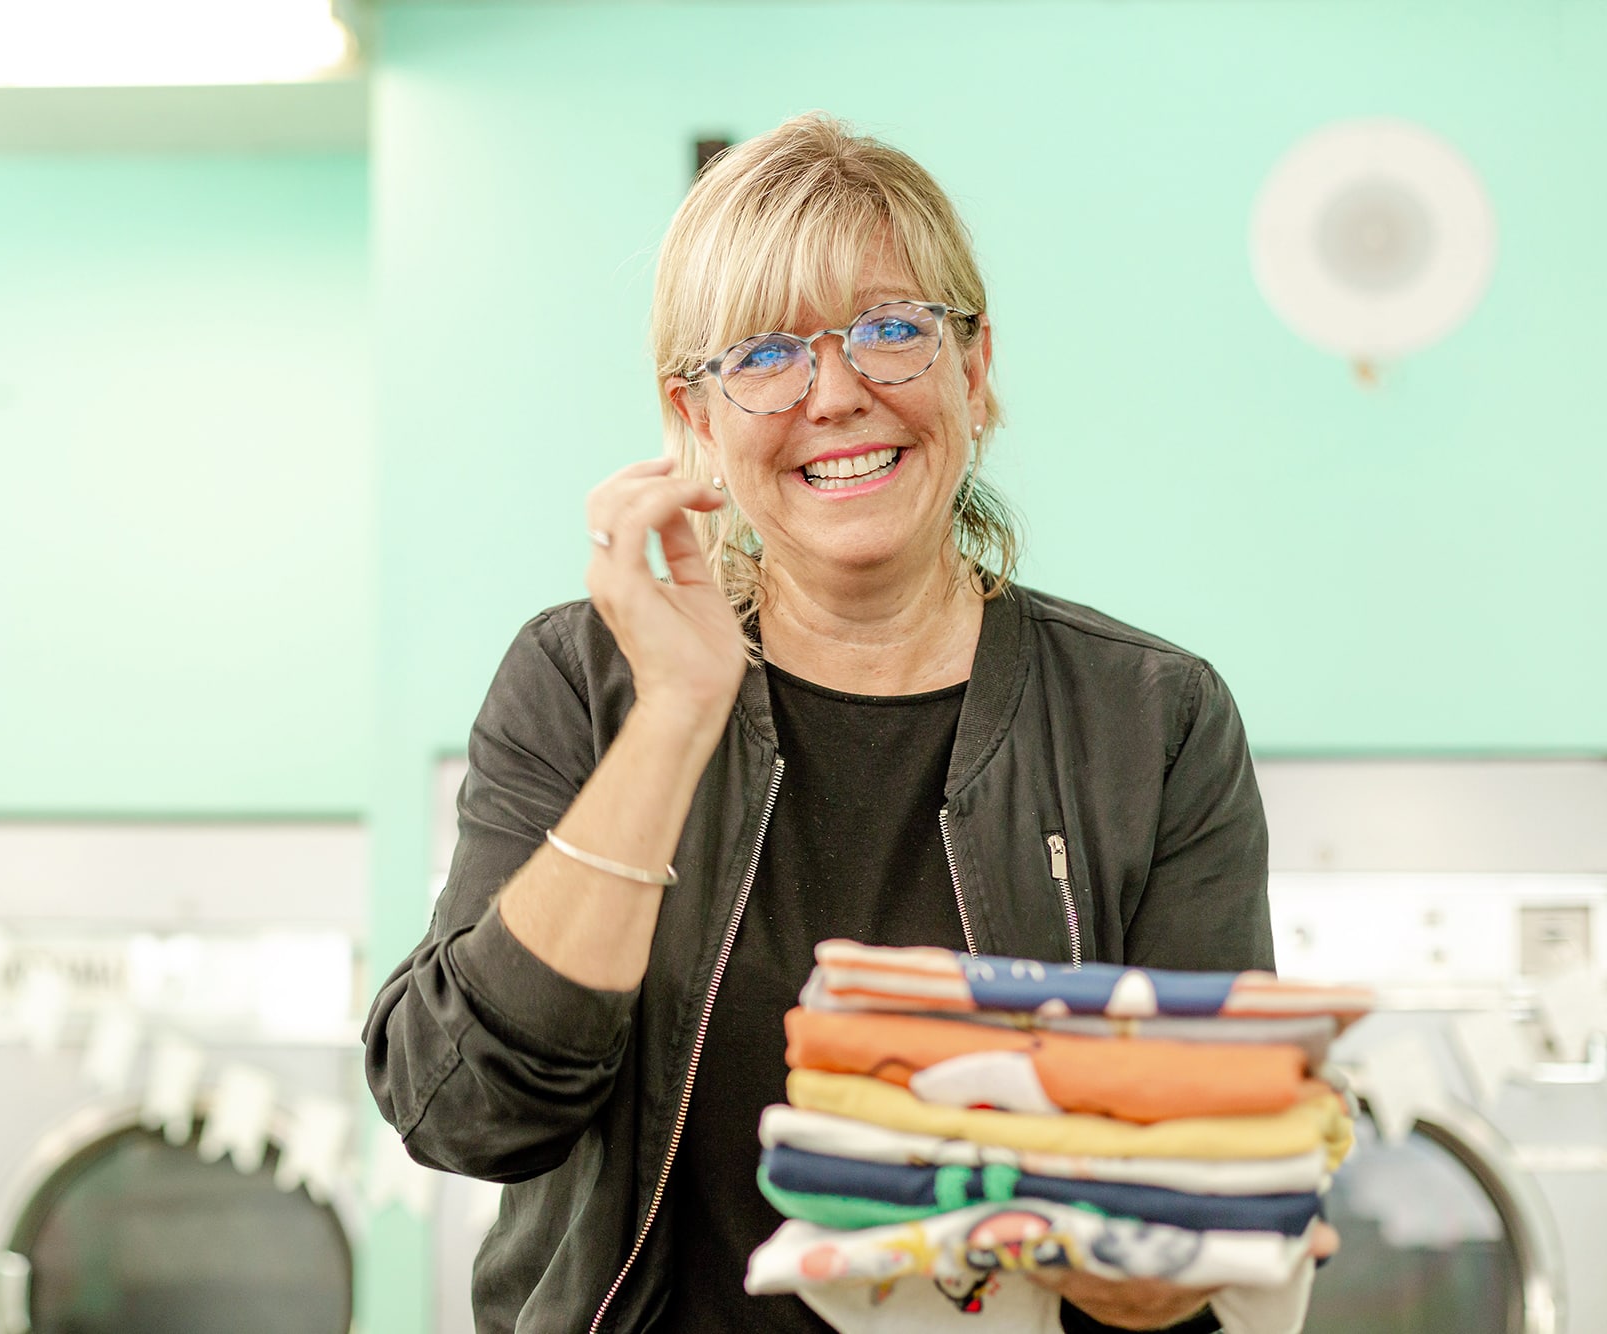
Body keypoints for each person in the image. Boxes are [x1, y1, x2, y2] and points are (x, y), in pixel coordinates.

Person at [364, 112, 1335, 1334]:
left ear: (972, 372)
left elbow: (1198, 1199)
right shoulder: (581, 680)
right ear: (694, 417)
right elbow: (463, 1110)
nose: (834, 394)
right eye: (765, 353)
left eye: (888, 330)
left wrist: (1144, 1250)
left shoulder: (1152, 720)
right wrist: (671, 717)